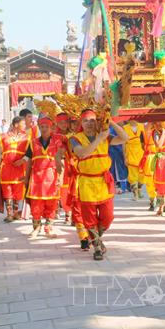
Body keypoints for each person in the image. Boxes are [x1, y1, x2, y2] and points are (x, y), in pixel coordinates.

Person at [71, 109, 128, 260]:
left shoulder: (104, 136)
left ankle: (96, 238)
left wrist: (111, 122)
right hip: (86, 182)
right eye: (85, 121)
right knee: (89, 218)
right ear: (80, 123)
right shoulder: (75, 139)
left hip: (103, 181)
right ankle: (97, 246)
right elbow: (82, 153)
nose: (89, 124)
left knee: (108, 216)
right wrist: (100, 138)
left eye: (92, 120)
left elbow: (125, 137)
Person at [23, 115, 65, 239]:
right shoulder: (33, 142)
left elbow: (62, 160)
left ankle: (48, 228)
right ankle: (36, 228)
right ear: (39, 128)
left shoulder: (57, 142)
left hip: (52, 178)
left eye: (47, 126)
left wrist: (61, 178)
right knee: (36, 204)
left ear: (51, 127)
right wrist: (26, 178)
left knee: (51, 204)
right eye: (42, 126)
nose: (44, 128)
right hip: (36, 179)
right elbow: (29, 161)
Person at [65, 117, 89, 249]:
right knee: (78, 209)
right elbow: (60, 151)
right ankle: (83, 238)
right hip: (77, 179)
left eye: (77, 122)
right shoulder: (68, 138)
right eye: (73, 122)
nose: (75, 125)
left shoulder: (93, 137)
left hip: (92, 179)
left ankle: (93, 235)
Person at [0, 116, 28, 223]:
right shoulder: (2, 137)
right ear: (16, 125)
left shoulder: (26, 137)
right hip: (6, 167)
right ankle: (9, 214)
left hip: (20, 168)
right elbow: (0, 153)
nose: (25, 125)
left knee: (18, 191)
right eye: (23, 123)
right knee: (7, 191)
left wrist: (22, 160)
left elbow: (29, 153)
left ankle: (16, 213)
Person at [124, 120, 145, 201]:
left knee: (142, 175)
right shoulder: (125, 128)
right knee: (132, 176)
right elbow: (124, 143)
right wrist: (124, 156)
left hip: (141, 153)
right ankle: (135, 194)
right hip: (130, 153)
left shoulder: (142, 126)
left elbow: (145, 141)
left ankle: (139, 189)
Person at [139, 123, 158, 211]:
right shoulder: (144, 132)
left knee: (159, 181)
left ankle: (159, 201)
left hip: (159, 157)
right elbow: (143, 146)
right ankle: (153, 200)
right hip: (151, 158)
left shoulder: (162, 131)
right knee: (150, 181)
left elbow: (142, 146)